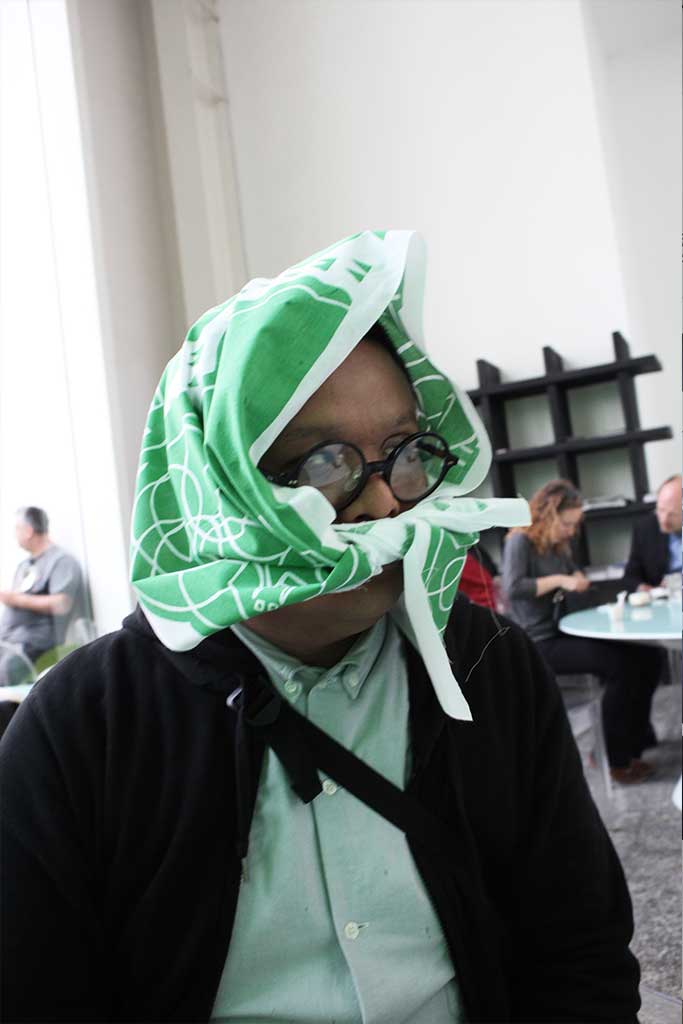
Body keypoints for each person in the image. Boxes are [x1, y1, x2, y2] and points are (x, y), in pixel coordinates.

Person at [1, 232, 640, 1022]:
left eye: (405, 451)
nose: (385, 503)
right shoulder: (85, 726)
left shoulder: (488, 667)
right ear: (215, 485)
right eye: (321, 466)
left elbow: (579, 951)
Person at [502, 479, 661, 785]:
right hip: (539, 641)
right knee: (620, 666)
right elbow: (514, 587)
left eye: (575, 525)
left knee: (647, 655)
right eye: (567, 524)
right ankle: (614, 760)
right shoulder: (519, 540)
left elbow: (571, 574)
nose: (571, 531)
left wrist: (575, 576)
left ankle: (636, 741)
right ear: (548, 515)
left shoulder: (557, 544)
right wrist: (562, 580)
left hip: (563, 629)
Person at [0, 506, 83, 685]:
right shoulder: (24, 565)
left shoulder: (61, 561)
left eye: (17, 528)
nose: (15, 534)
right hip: (9, 646)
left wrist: (15, 599)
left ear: (29, 531)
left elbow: (62, 604)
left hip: (32, 650)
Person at [622, 474, 682, 592]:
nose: (663, 520)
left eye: (672, 514)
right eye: (661, 510)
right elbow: (630, 577)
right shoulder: (645, 528)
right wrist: (644, 589)